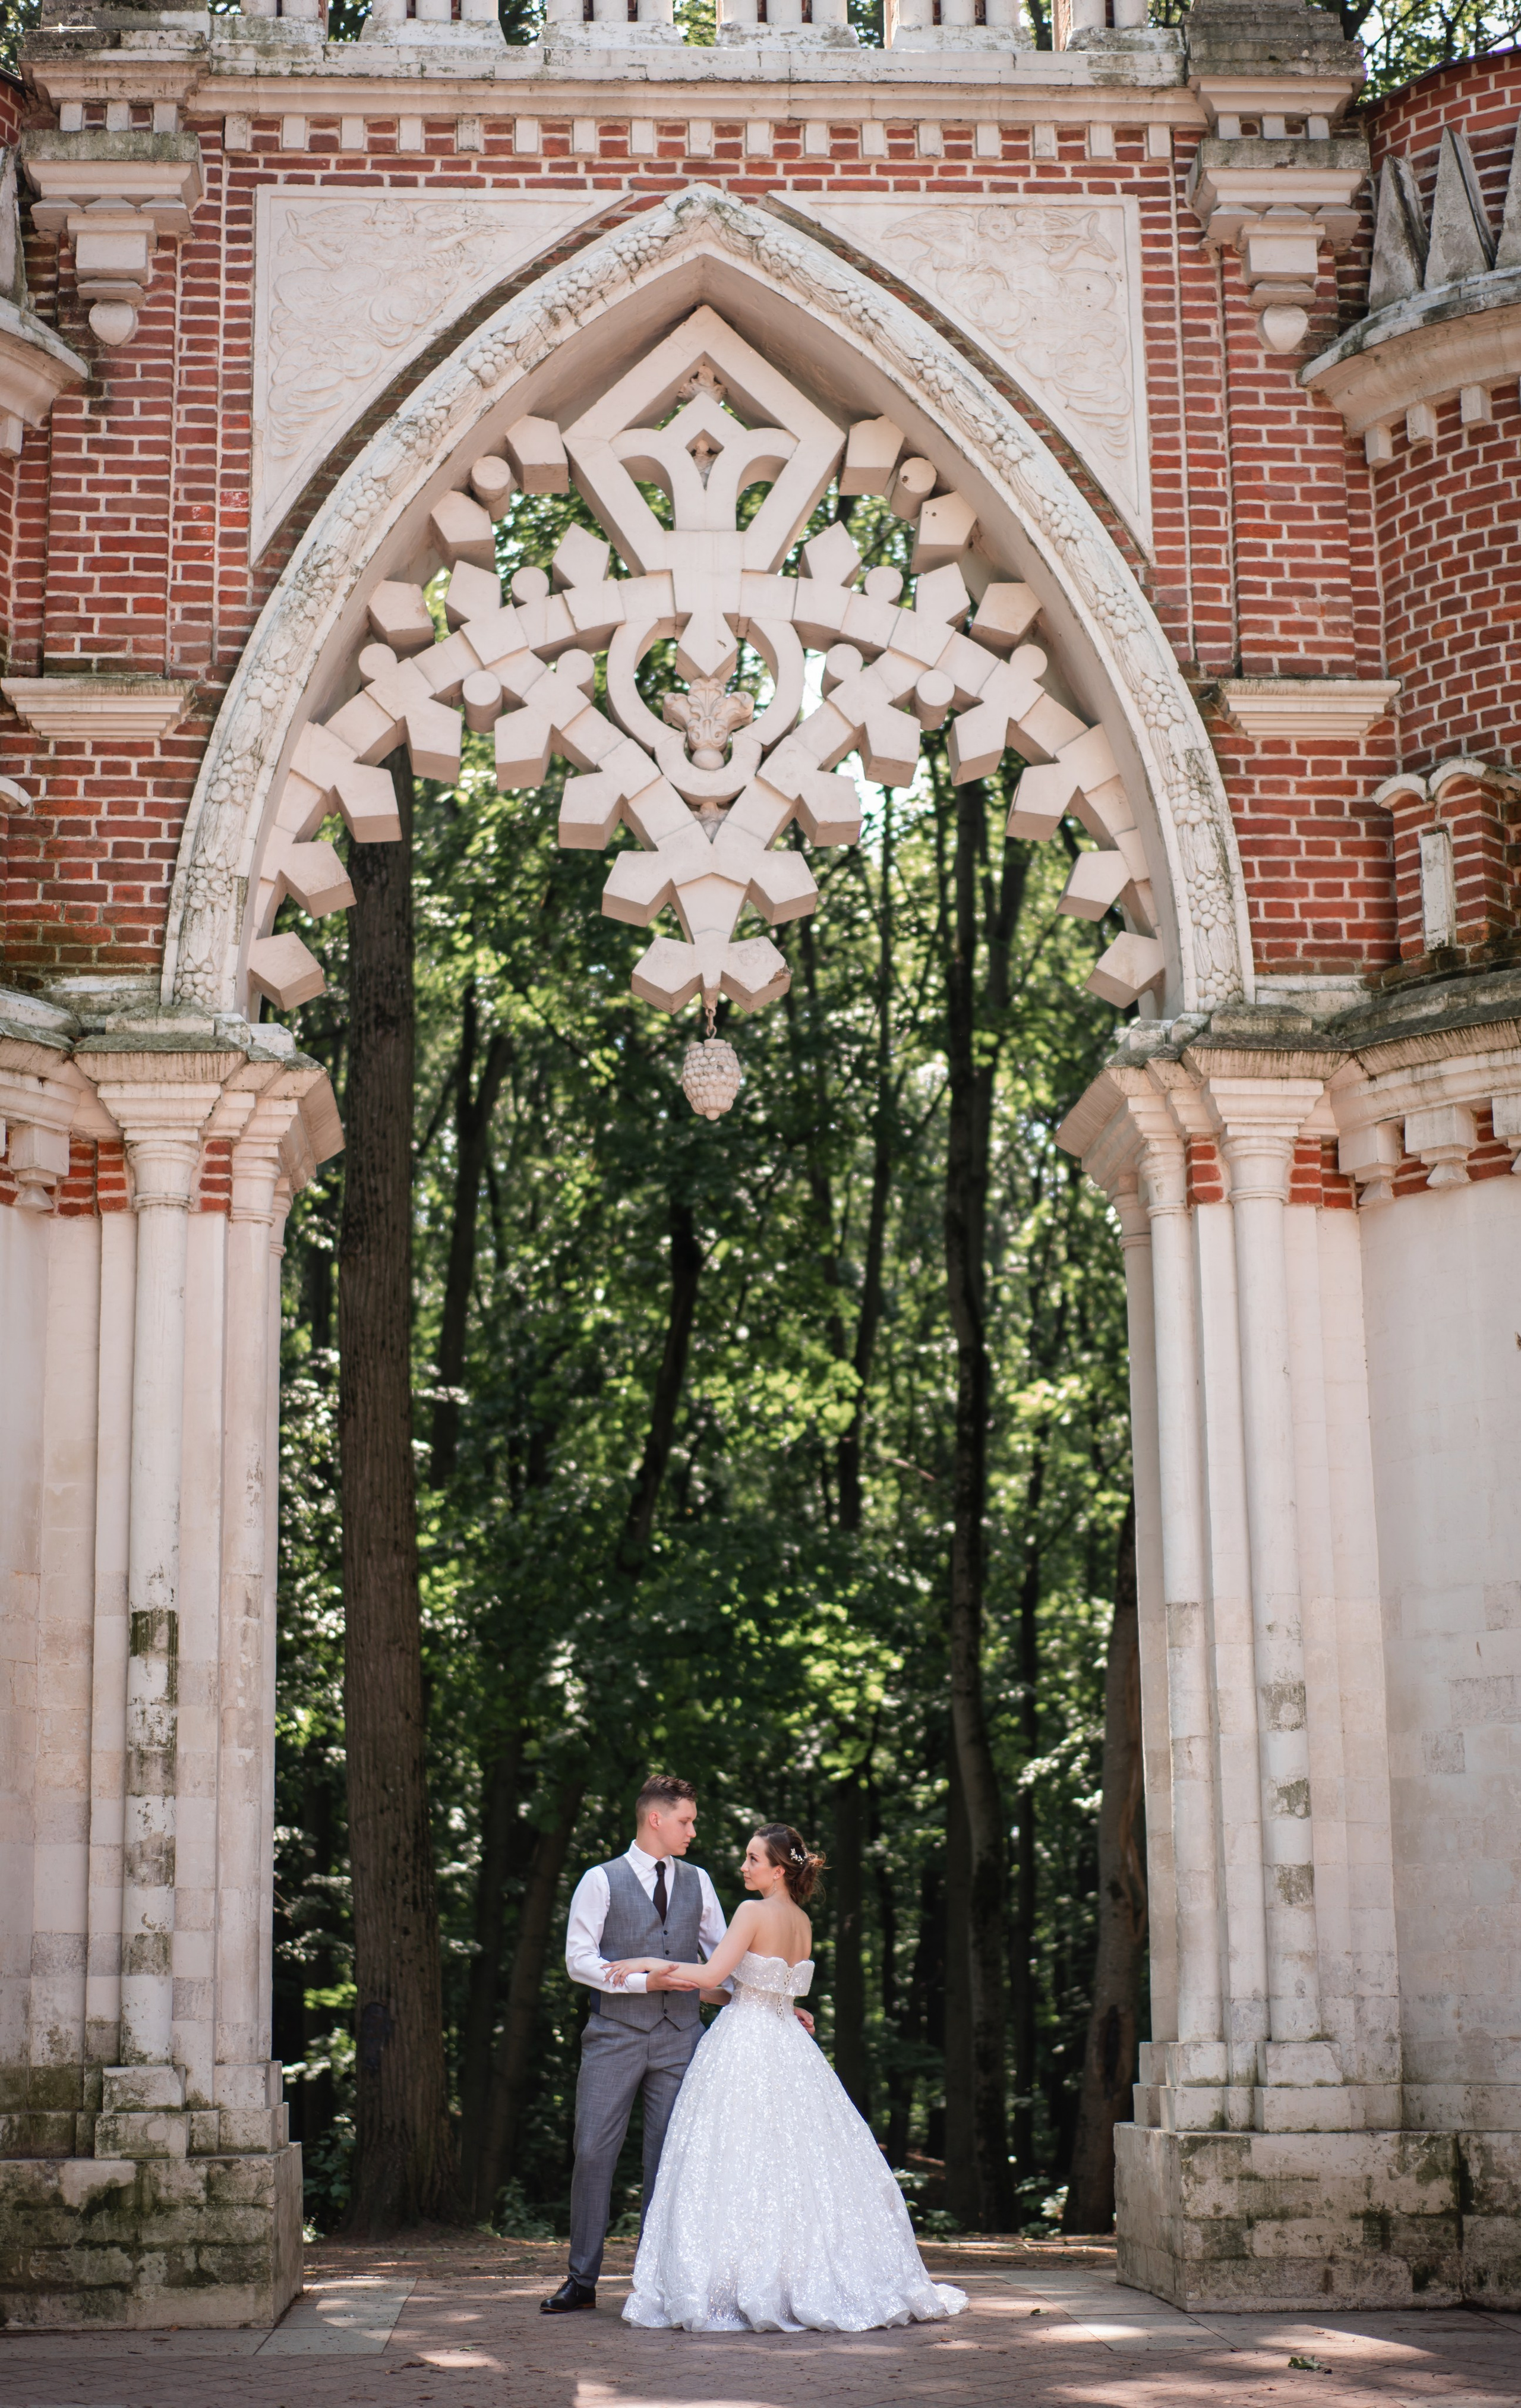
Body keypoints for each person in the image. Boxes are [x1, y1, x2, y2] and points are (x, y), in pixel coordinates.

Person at [612, 1822, 968, 2335]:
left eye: (753, 1859)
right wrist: (679, 1977)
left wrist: (649, 1962)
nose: (744, 1867)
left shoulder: (752, 1912)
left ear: (778, 1869)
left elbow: (712, 1979)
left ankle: (737, 2283)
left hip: (744, 2046)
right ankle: (780, 2277)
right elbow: (742, 1989)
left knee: (736, 2161)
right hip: (786, 2043)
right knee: (791, 2166)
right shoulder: (800, 1921)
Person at [541, 1773, 812, 2316]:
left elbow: (728, 1961)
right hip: (614, 2036)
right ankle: (582, 2279)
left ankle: (656, 2282)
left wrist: (780, 2004)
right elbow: (579, 1960)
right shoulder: (600, 1880)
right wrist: (647, 1981)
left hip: (683, 2039)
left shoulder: (700, 1882)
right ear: (656, 1819)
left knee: (671, 2160)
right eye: (686, 1821)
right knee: (594, 2152)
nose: (693, 1830)